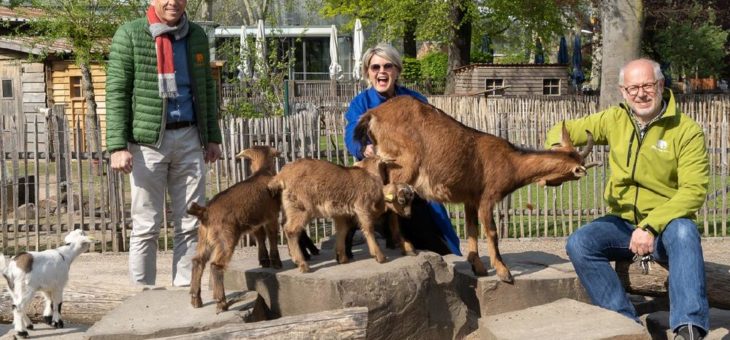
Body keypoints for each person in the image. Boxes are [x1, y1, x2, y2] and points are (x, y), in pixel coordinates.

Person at [545, 58, 709, 340]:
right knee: (580, 242)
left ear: (660, 85)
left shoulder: (686, 130)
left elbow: (694, 190)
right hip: (621, 223)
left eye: (647, 85)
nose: (640, 94)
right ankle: (625, 324)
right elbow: (561, 129)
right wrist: (560, 152)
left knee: (685, 232)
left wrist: (651, 226)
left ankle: (689, 328)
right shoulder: (614, 119)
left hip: (666, 224)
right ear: (623, 91)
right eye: (633, 88)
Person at [106, 0, 222, 287]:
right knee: (146, 223)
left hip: (190, 137)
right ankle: (142, 295)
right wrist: (117, 146)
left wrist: (212, 137)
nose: (173, 2)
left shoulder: (196, 35)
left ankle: (184, 289)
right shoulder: (130, 34)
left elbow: (206, 86)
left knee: (192, 221)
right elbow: (117, 91)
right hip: (147, 144)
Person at [344, 43, 461, 256]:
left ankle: (450, 255)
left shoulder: (414, 100)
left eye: (387, 66)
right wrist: (364, 148)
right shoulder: (361, 103)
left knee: (437, 223)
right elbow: (352, 133)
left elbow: (435, 130)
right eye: (375, 67)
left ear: (397, 70)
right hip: (381, 179)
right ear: (367, 72)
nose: (381, 72)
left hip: (416, 179)